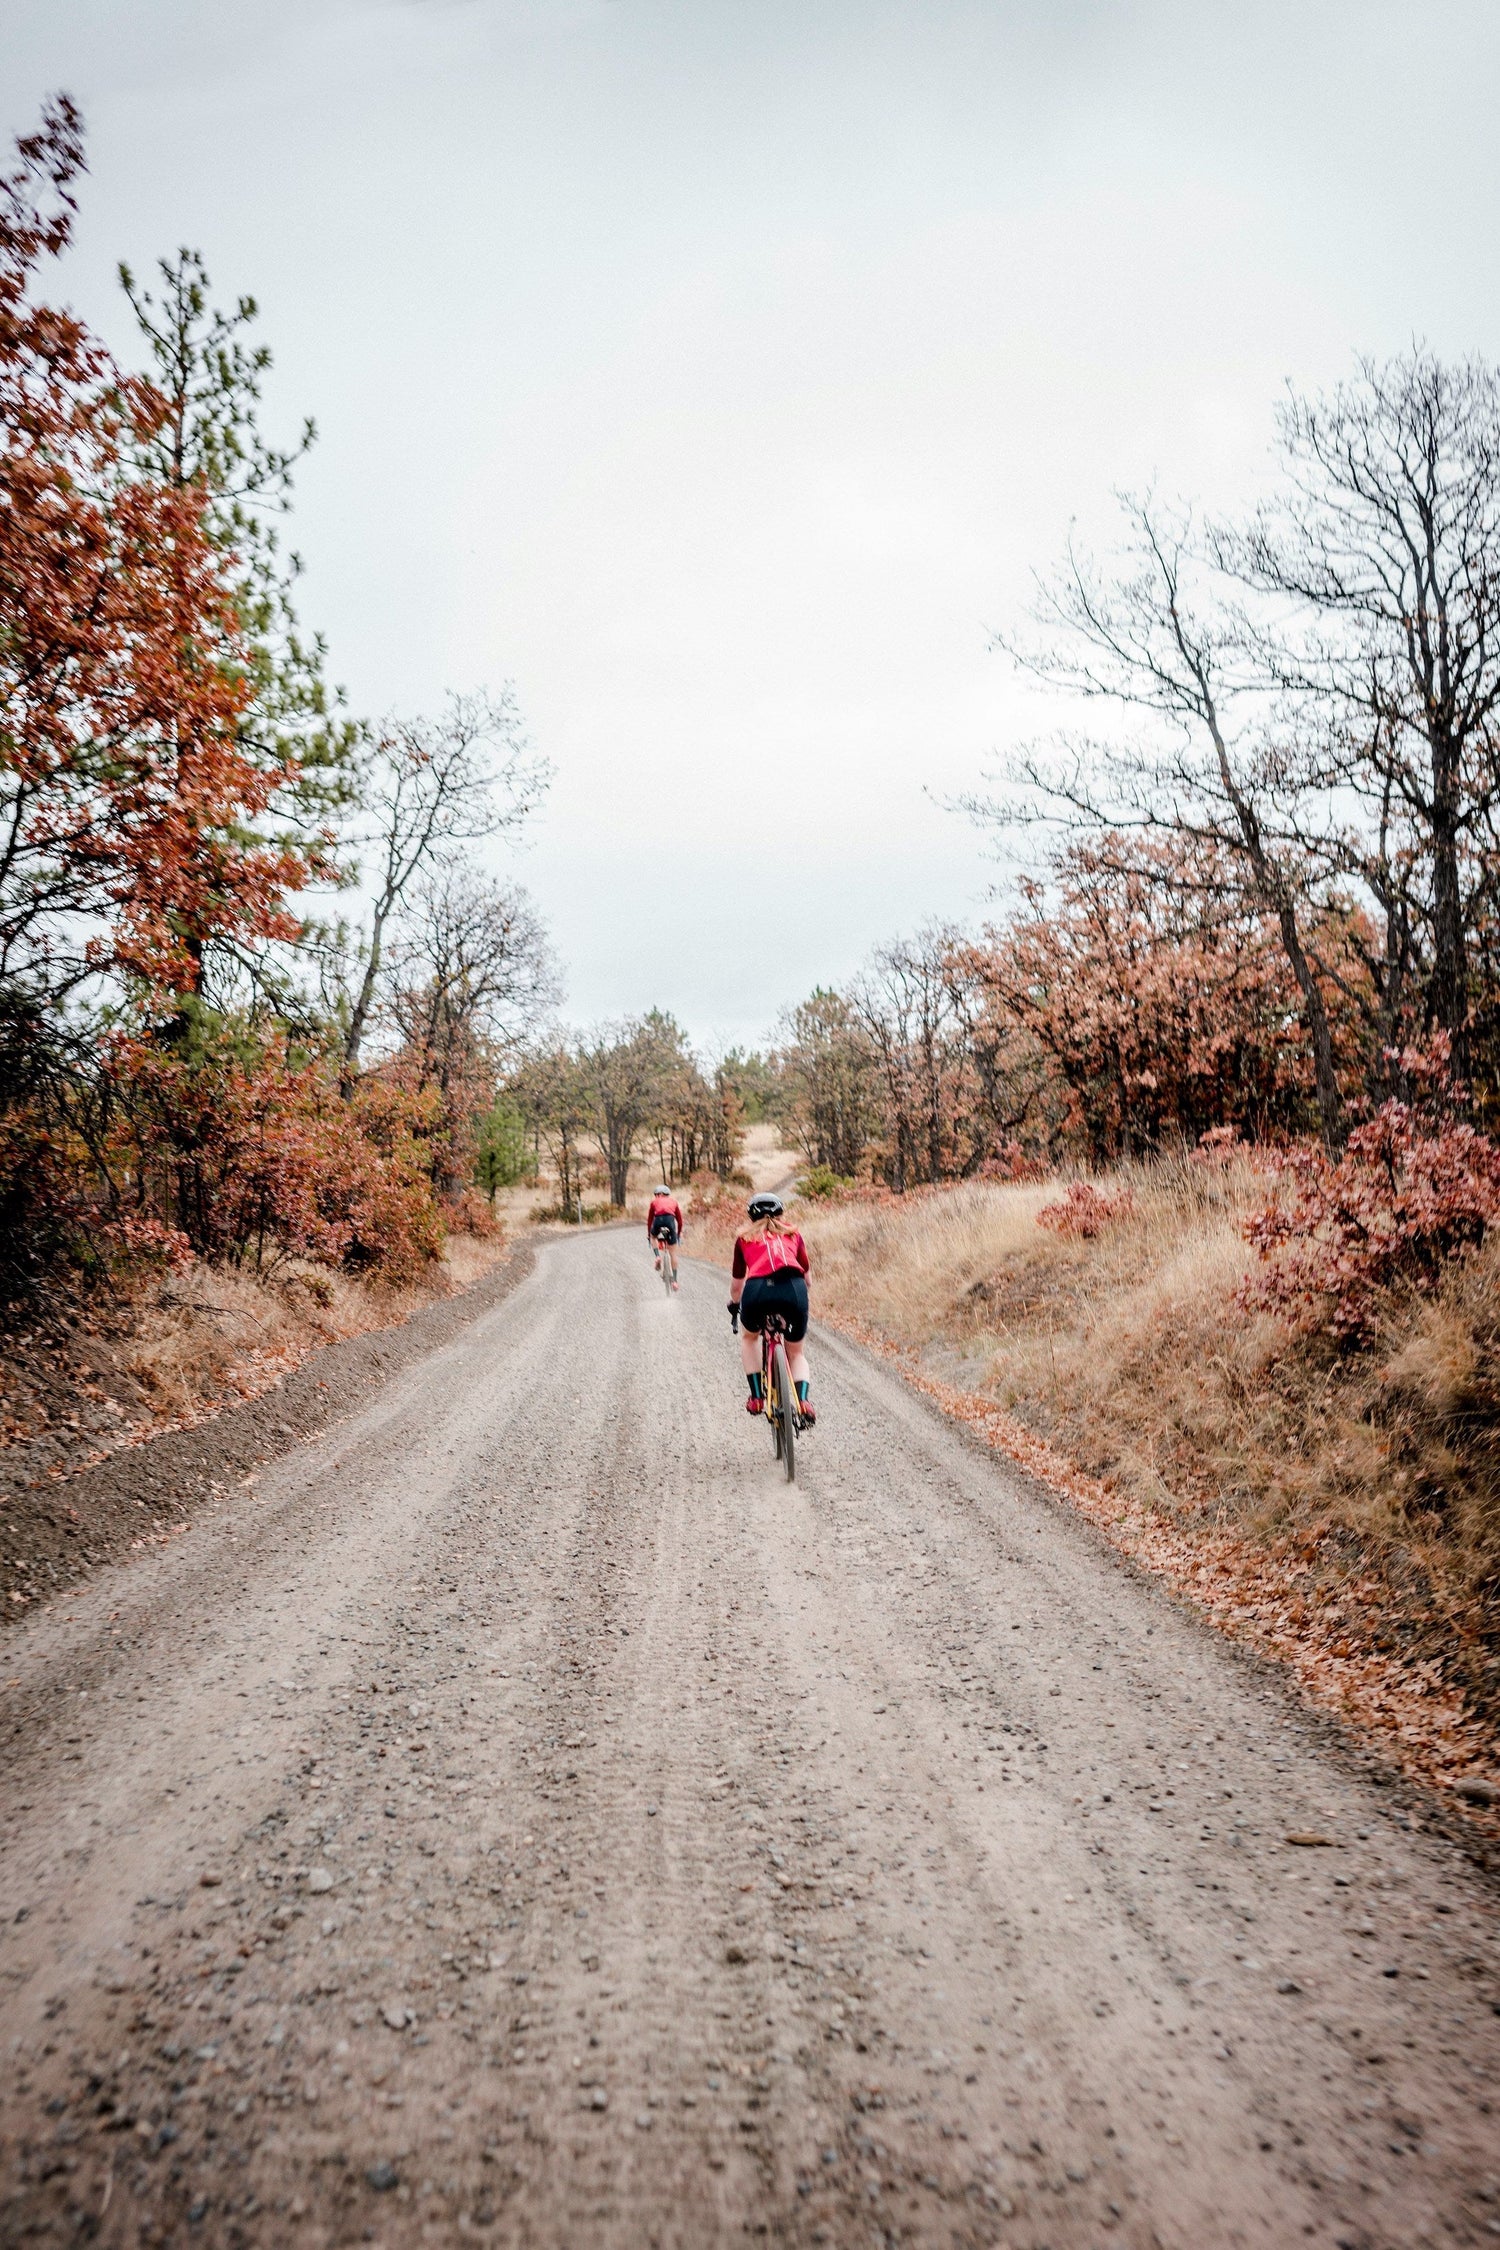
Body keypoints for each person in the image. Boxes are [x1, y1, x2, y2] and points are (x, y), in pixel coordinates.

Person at [727, 1193, 815, 1423]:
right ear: (781, 1213)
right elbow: (807, 1279)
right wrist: (801, 1299)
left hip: (757, 1291)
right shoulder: (793, 1233)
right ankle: (803, 1402)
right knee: (796, 1352)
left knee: (749, 1338)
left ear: (750, 1216)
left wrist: (735, 1304)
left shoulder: (744, 1238)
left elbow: (737, 1285)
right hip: (793, 1289)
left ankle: (756, 1396)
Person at [646, 1183, 684, 1290]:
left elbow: (649, 1220)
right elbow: (680, 1221)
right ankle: (675, 1282)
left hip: (658, 1221)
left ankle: (657, 1256)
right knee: (673, 1254)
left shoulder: (654, 1202)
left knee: (654, 1237)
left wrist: (649, 1234)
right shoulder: (674, 1202)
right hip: (670, 1223)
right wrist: (678, 1234)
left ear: (658, 1194)